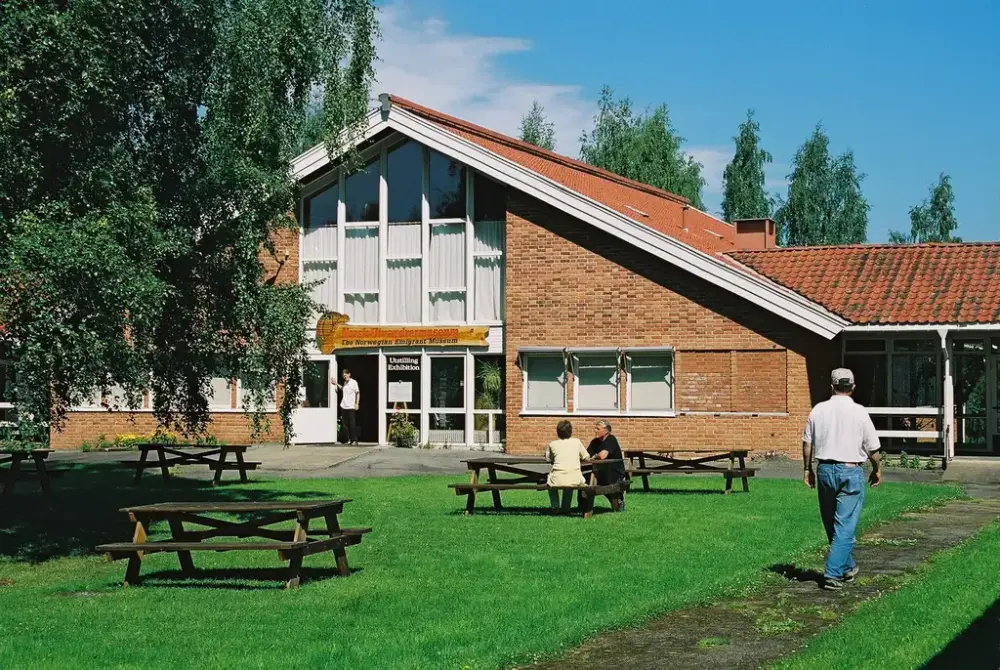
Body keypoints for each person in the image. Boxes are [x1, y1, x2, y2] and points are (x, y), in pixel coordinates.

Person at [802, 367, 883, 591]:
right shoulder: (859, 412)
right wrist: (877, 468)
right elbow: (873, 448)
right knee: (845, 525)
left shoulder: (818, 410)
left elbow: (807, 443)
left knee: (831, 523)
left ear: (832, 386)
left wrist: (807, 469)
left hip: (825, 469)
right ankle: (833, 574)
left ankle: (847, 567)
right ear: (853, 387)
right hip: (850, 470)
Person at [544, 420, 591, 514]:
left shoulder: (552, 444)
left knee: (550, 483)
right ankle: (566, 507)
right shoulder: (577, 442)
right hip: (575, 478)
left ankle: (555, 507)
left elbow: (550, 459)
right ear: (571, 431)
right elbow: (587, 457)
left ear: (558, 432)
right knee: (570, 482)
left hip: (557, 478)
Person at [582, 420, 628, 513]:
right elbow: (586, 455)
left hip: (615, 472)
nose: (595, 431)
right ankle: (583, 506)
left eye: (598, 429)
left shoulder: (611, 439)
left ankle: (618, 501)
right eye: (595, 428)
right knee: (583, 479)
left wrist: (595, 456)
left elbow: (603, 455)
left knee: (606, 482)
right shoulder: (595, 442)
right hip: (600, 471)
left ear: (606, 430)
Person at [333, 368, 361, 445]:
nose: (345, 377)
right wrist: (336, 384)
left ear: (349, 374)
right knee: (345, 424)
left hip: (351, 406)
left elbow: (357, 393)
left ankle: (354, 439)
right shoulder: (345, 383)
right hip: (344, 405)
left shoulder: (353, 382)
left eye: (346, 375)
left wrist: (357, 403)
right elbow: (343, 388)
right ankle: (349, 439)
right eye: (344, 376)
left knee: (352, 423)